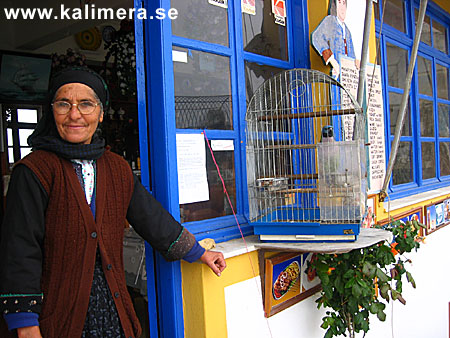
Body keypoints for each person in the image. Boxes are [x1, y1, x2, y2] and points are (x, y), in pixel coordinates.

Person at [0, 67, 226, 338]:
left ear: (101, 113)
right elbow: (20, 248)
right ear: (52, 111)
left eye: (86, 104)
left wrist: (199, 252)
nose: (75, 114)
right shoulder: (34, 171)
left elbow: (150, 217)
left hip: (112, 309)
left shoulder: (116, 168)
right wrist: (26, 324)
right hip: (56, 315)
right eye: (64, 104)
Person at [311, 0, 360, 78]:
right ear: (335, 5)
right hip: (337, 75)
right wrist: (332, 60)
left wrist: (355, 63)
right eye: (339, 3)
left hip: (348, 77)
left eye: (344, 3)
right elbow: (316, 37)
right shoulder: (330, 21)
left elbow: (351, 53)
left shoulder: (347, 30)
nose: (342, 8)